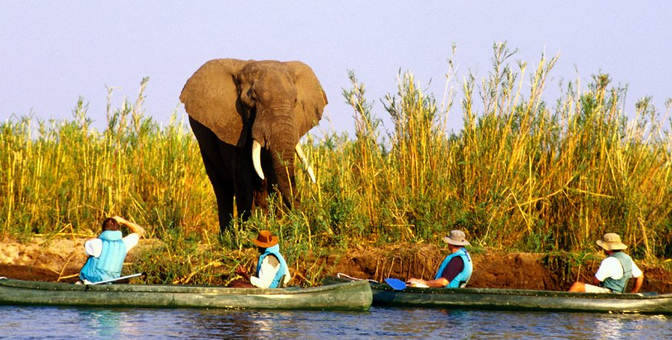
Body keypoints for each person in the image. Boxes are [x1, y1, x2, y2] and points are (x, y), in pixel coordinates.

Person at [569, 233, 644, 293]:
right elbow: (640, 276)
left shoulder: (608, 261)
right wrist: (633, 292)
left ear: (607, 248)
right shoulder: (627, 258)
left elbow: (595, 282)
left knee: (577, 285)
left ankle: (565, 304)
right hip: (620, 293)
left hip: (610, 293)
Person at [79, 216, 145, 284]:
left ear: (103, 230)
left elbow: (85, 243)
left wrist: (101, 236)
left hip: (90, 281)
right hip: (109, 283)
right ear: (117, 230)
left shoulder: (96, 243)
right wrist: (123, 221)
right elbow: (140, 231)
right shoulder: (125, 243)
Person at [407, 230, 473, 288]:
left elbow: (443, 282)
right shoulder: (464, 255)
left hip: (448, 295)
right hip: (453, 294)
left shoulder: (457, 260)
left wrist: (424, 283)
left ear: (450, 244)